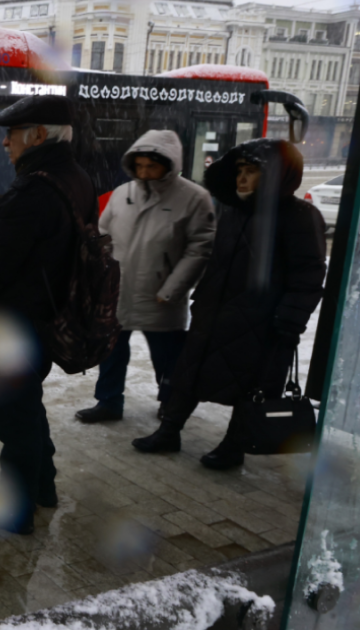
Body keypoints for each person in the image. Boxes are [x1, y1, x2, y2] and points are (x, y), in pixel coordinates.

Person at [0, 95, 96, 534]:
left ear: (36, 136)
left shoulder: (33, 190)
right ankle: (44, 488)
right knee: (28, 409)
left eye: (11, 135)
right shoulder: (76, 178)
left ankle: (16, 512)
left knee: (14, 422)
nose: (5, 144)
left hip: (15, 324)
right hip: (45, 317)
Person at [132, 138, 326, 469]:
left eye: (252, 172)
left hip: (262, 321)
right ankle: (169, 431)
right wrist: (202, 297)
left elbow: (308, 276)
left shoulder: (299, 216)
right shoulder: (233, 209)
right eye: (239, 171)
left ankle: (235, 446)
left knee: (253, 386)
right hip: (214, 312)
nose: (242, 179)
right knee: (188, 373)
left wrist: (290, 321)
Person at [75, 130, 216, 423]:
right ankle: (109, 402)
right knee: (111, 353)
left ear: (170, 164)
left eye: (151, 166)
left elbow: (200, 249)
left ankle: (170, 404)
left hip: (161, 295)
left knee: (167, 359)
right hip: (119, 292)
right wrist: (98, 276)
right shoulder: (122, 194)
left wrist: (173, 289)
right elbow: (103, 235)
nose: (144, 172)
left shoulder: (194, 198)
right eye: (139, 165)